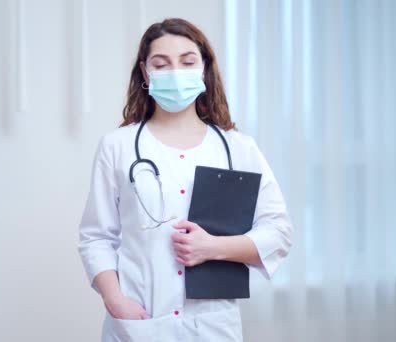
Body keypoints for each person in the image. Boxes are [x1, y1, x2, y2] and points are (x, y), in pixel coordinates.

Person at [77, 18, 293, 342]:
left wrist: (213, 247)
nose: (176, 73)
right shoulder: (117, 146)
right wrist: (114, 299)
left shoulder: (238, 148)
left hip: (212, 328)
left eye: (187, 61)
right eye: (161, 64)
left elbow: (278, 231)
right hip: (140, 323)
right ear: (146, 73)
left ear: (204, 68)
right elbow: (96, 237)